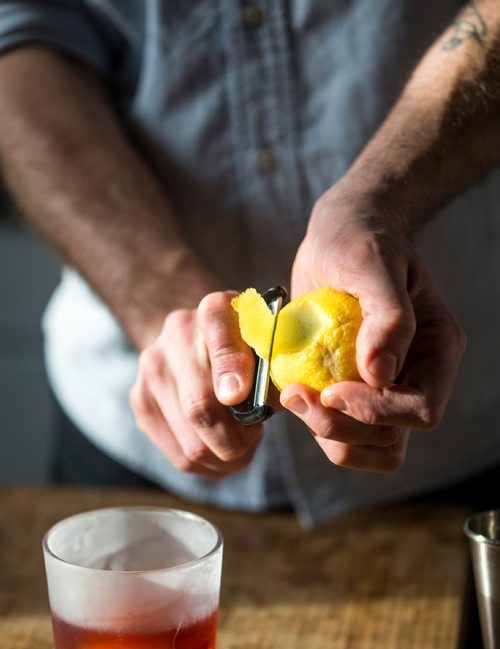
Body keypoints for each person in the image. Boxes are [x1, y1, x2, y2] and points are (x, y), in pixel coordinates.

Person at [0, 1, 498, 527]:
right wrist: (159, 298)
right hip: (137, 427)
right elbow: (19, 39)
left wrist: (381, 200)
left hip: (451, 432)